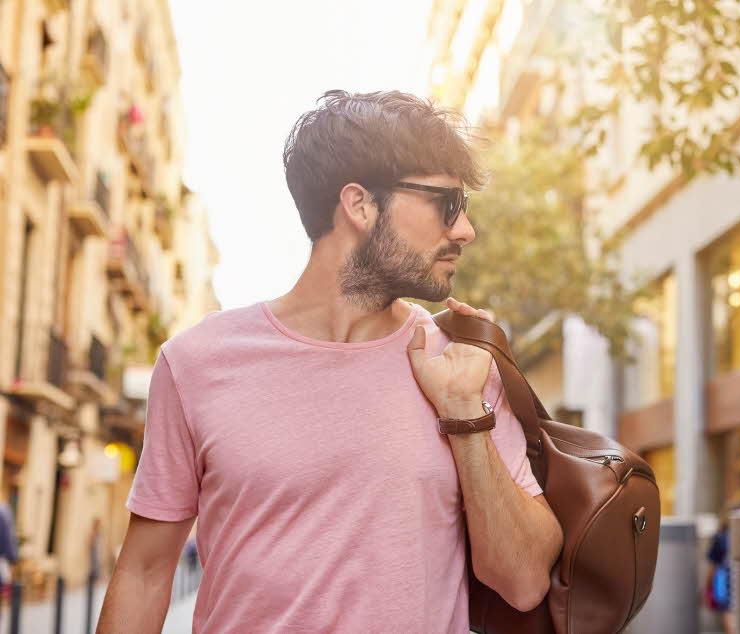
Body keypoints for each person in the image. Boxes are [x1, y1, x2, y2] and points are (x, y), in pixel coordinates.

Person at [97, 90, 563, 633]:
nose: (465, 230)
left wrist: (465, 413)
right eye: (447, 204)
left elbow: (525, 581)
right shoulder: (196, 363)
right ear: (359, 205)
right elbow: (145, 571)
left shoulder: (463, 364)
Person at [705, 500, 740, 634]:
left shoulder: (721, 535)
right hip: (727, 580)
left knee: (729, 611)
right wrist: (708, 586)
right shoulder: (721, 536)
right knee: (729, 611)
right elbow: (712, 564)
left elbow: (712, 564)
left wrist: (707, 586)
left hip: (729, 579)